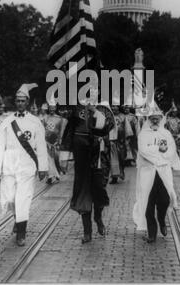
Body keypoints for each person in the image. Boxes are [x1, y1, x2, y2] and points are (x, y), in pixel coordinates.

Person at [0, 83, 48, 246]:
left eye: (23, 101)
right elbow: (0, 146)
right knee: (10, 198)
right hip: (9, 165)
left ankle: (21, 232)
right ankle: (17, 218)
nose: (20, 103)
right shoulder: (8, 121)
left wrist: (43, 168)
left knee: (23, 199)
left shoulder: (35, 122)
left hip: (27, 165)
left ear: (27, 102)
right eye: (18, 101)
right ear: (15, 102)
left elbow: (40, 145)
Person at [61, 87, 115, 244]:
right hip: (82, 158)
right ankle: (87, 231)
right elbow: (69, 132)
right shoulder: (77, 110)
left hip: (99, 158)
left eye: (94, 93)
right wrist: (64, 157)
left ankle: (98, 217)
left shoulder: (104, 109)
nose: (91, 96)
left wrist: (95, 111)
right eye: (88, 93)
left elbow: (108, 126)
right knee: (83, 192)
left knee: (99, 191)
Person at [133, 98, 180, 243]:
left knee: (164, 200)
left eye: (157, 119)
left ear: (161, 119)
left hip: (163, 172)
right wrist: (158, 150)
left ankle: (161, 219)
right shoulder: (143, 134)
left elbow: (171, 150)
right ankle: (152, 233)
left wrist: (161, 155)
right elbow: (143, 150)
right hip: (147, 173)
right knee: (148, 202)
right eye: (152, 119)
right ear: (148, 119)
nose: (155, 121)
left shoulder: (166, 134)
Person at [42, 97, 66, 184]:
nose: (52, 109)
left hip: (55, 142)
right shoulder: (45, 118)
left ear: (55, 108)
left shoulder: (60, 119)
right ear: (48, 108)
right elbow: (42, 130)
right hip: (46, 142)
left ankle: (56, 174)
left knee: (56, 159)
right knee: (48, 159)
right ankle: (50, 176)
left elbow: (61, 131)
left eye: (53, 108)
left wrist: (59, 141)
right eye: (50, 108)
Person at [109, 102, 131, 184]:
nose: (114, 108)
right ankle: (114, 177)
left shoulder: (123, 117)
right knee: (113, 159)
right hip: (111, 141)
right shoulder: (109, 116)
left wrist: (127, 140)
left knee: (121, 158)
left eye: (115, 106)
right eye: (112, 106)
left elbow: (127, 129)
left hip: (121, 141)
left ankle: (121, 171)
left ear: (118, 107)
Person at [123, 102, 138, 166]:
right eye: (125, 108)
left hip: (132, 134)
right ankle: (126, 161)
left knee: (133, 147)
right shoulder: (122, 116)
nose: (126, 110)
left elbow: (136, 125)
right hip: (124, 133)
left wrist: (137, 133)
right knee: (125, 147)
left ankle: (136, 160)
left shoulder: (133, 116)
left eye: (127, 108)